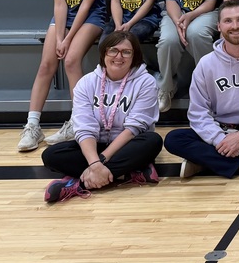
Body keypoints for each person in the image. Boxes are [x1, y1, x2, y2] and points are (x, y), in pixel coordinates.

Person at [163, 1, 239, 179]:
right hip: (218, 129)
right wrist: (219, 139)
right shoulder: (206, 64)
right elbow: (198, 113)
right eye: (228, 21)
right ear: (219, 26)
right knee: (173, 139)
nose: (235, 26)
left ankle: (204, 163)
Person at [42, 33, 163, 204]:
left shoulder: (146, 82)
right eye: (113, 50)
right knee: (51, 155)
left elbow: (133, 129)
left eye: (126, 52)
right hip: (95, 145)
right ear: (104, 53)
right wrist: (94, 162)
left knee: (153, 141)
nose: (119, 56)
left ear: (134, 55)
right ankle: (129, 171)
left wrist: (101, 161)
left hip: (126, 144)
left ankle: (78, 183)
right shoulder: (86, 83)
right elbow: (84, 127)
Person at [18, 0, 108, 152]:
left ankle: (78, 121)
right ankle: (32, 125)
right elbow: (60, 4)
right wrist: (59, 36)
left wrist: (67, 40)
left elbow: (86, 6)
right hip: (62, 18)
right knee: (46, 65)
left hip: (91, 17)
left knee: (70, 60)